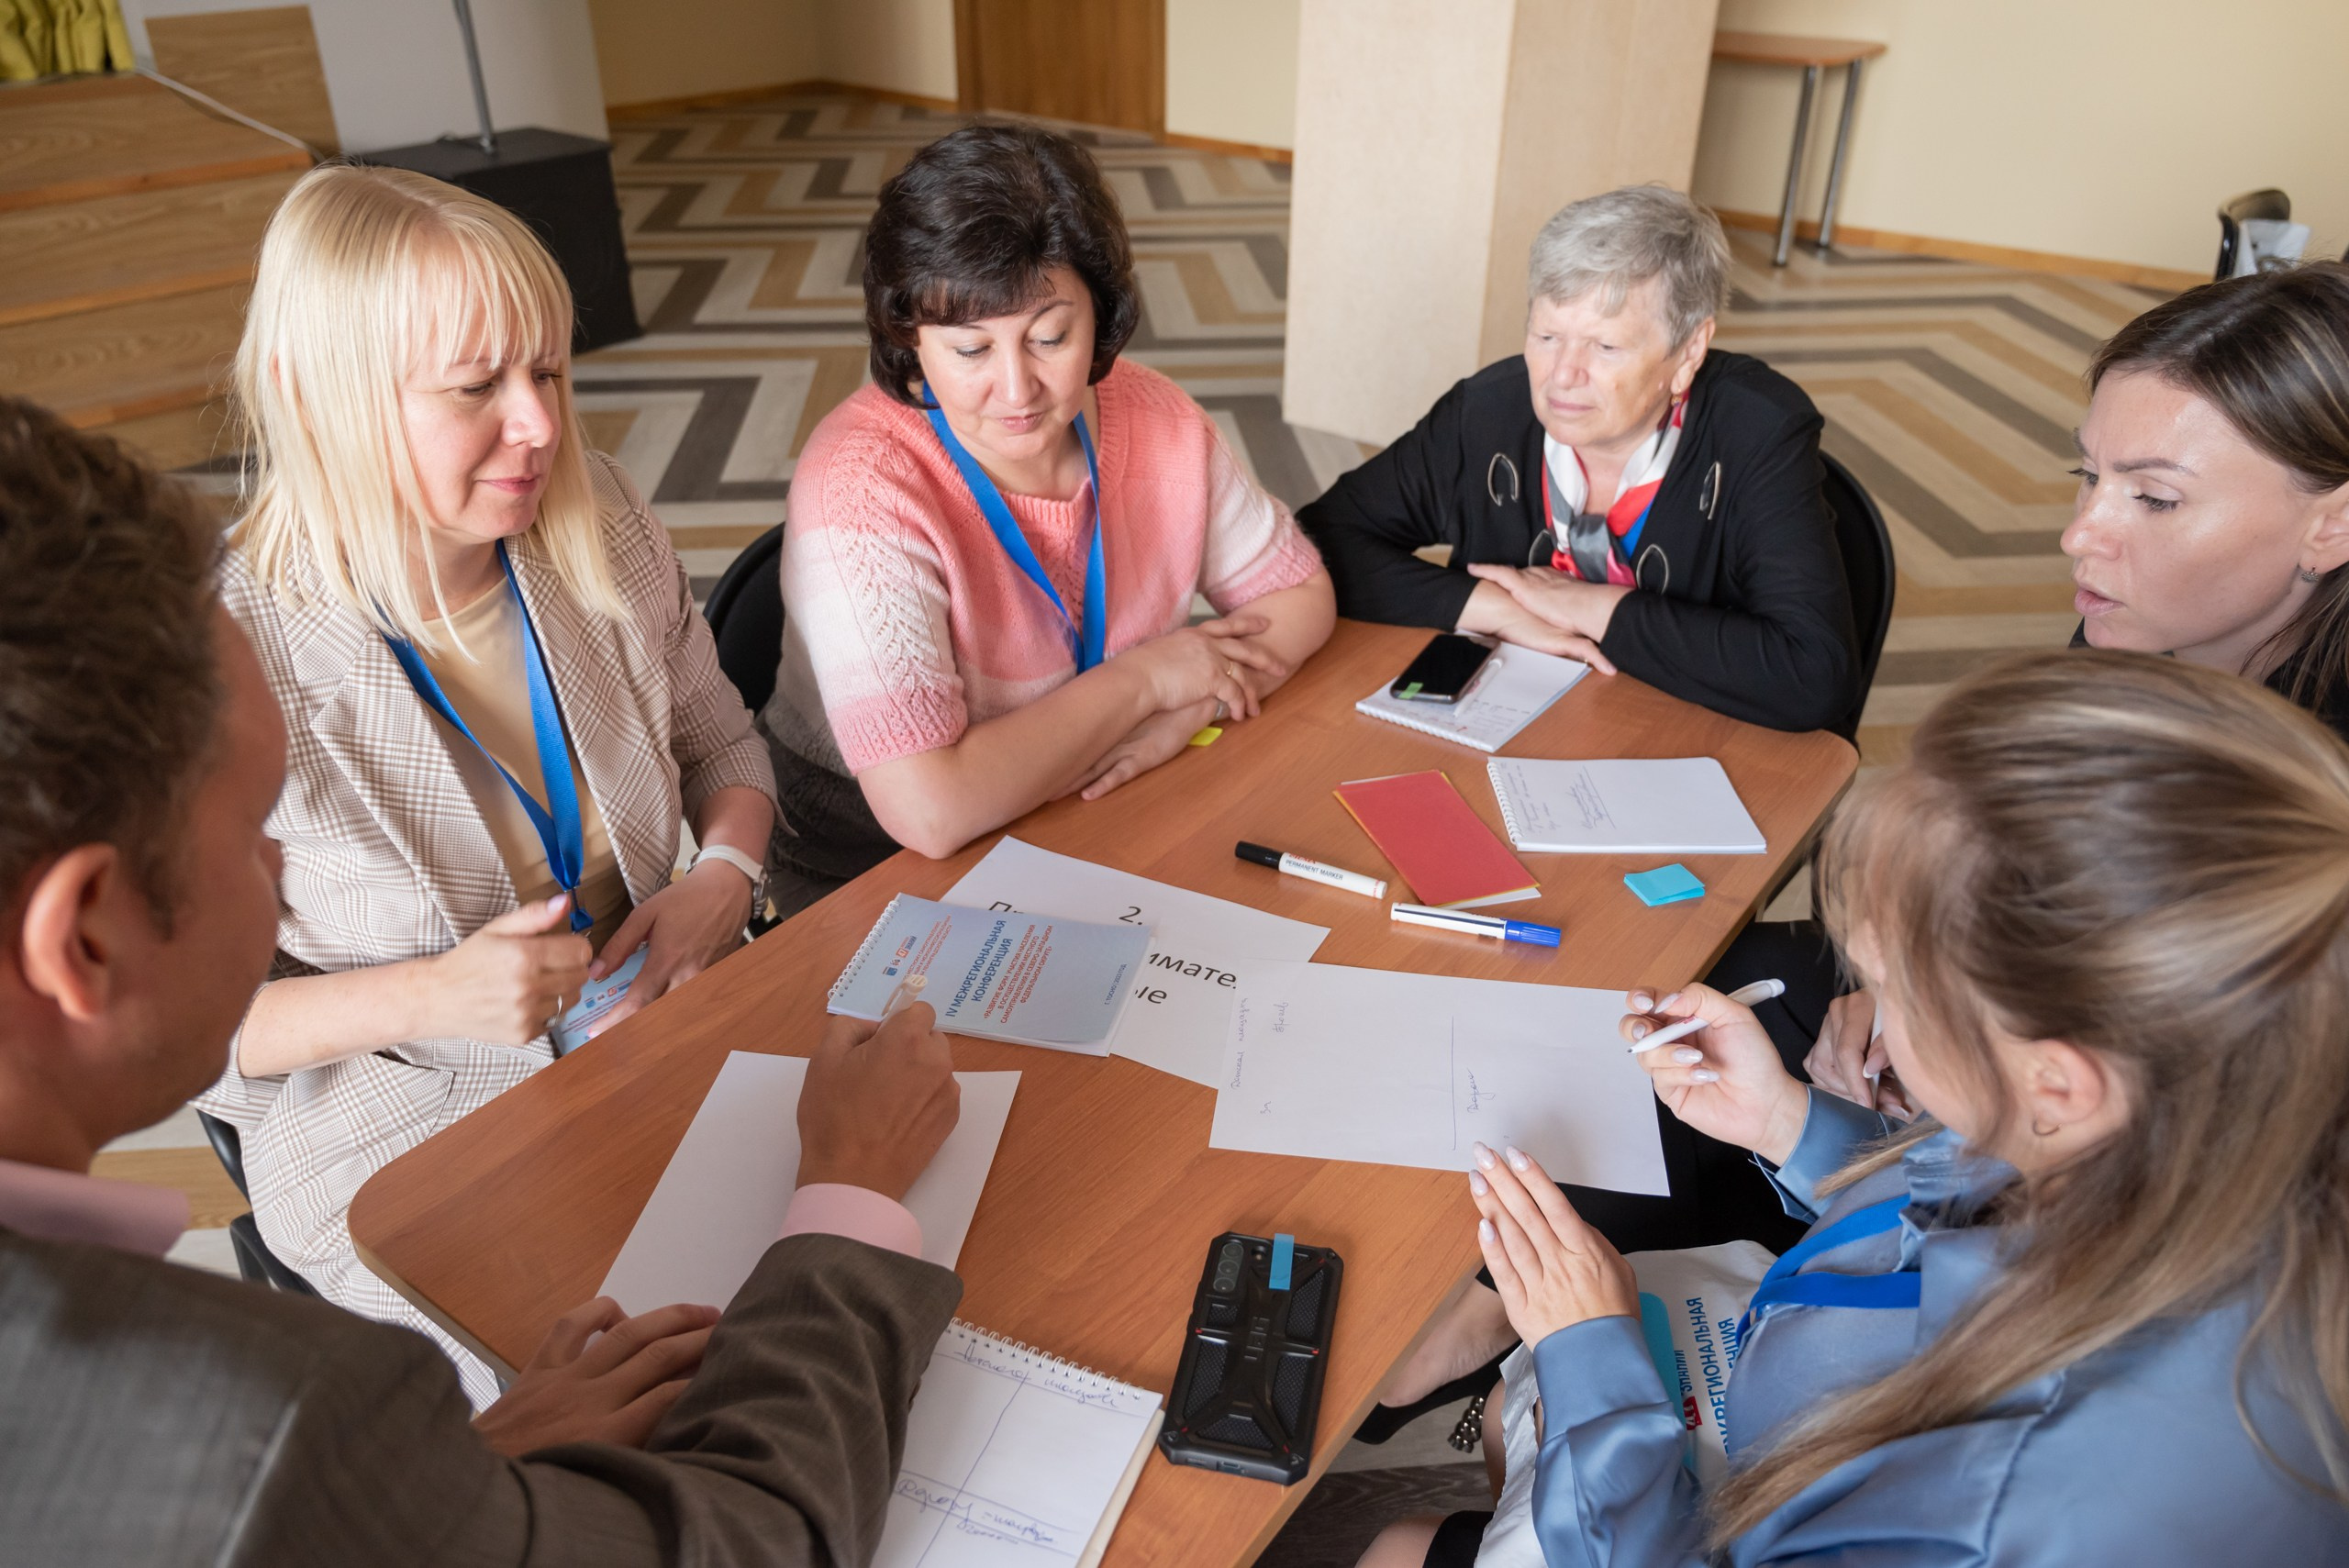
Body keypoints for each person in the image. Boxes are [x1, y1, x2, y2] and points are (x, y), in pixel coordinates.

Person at [0, 395, 967, 1567]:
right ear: (84, 938)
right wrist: (850, 1193)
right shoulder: (273, 1431)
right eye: (256, 828)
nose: (278, 865)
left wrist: (475, 1482)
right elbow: (755, 1544)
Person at [1369, 650, 2349, 1566]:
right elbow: (1983, 1184)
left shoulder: (2014, 1503)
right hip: (1782, 1426)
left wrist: (1591, 1360)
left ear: (2056, 1078)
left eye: (1895, 992)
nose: (1869, 1016)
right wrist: (1793, 1126)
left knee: (1401, 1539)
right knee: (1507, 1427)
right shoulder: (2206, 1108)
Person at [194, 164, 779, 1404]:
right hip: (408, 1116)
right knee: (652, 1403)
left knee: (855, 1257)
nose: (541, 428)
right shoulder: (223, 659)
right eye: (476, 389)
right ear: (320, 397)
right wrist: (431, 993)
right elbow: (193, 1031)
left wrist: (723, 872)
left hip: (661, 1017)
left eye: (551, 372)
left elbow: (723, 743)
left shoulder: (600, 514)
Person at [1723, 260, 2349, 1109]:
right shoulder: (2128, 636)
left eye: (2155, 498)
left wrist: (1948, 1021)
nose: (2081, 533)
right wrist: (1919, 980)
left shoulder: (2314, 820)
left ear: (2334, 523)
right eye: (2088, 476)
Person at [757, 122, 1334, 892]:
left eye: (1050, 336)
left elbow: (1300, 594)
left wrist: (1181, 715)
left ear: (1101, 314)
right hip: (866, 852)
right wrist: (1149, 683)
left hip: (1101, 792)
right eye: (970, 351)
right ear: (909, 339)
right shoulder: (861, 486)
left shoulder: (1153, 417)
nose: (1018, 390)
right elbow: (930, 809)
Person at [1297, 185, 1859, 735]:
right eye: (1546, 335)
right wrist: (1499, 609)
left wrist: (1590, 608)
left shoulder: (1757, 432)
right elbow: (1319, 542)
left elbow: (1813, 675)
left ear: (1688, 352)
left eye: (1605, 347)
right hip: (1509, 734)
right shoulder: (1487, 414)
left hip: (1673, 748)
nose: (1562, 376)